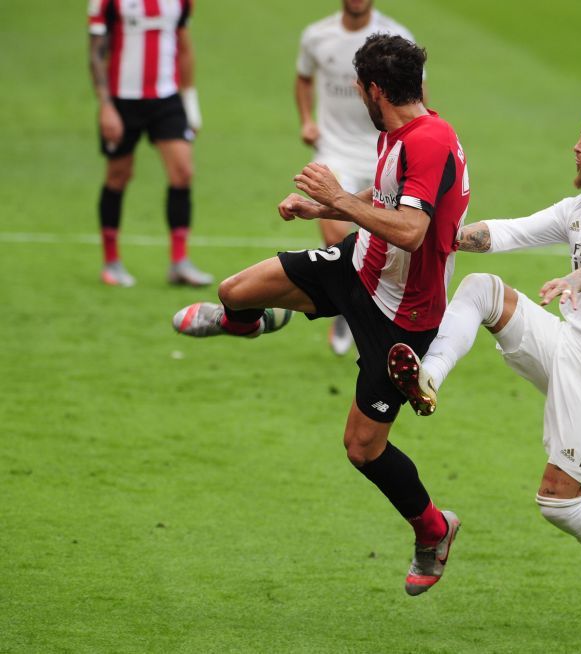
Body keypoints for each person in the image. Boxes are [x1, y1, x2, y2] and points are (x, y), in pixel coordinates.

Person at [173, 35, 470, 596]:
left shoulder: (428, 141)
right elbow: (387, 197)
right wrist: (325, 207)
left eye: (360, 88)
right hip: (356, 265)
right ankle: (249, 321)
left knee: (363, 449)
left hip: (401, 317)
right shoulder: (402, 131)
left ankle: (434, 530)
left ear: (375, 90)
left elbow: (411, 230)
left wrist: (336, 194)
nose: (359, 96)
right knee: (235, 290)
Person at [387, 104, 581, 632]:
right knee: (482, 289)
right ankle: (429, 378)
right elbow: (509, 232)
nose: (576, 145)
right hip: (567, 344)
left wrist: (576, 281)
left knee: (558, 503)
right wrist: (436, 234)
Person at [296, 0, 418, 355]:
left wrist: (418, 138)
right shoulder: (317, 35)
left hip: (385, 148)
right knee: (335, 229)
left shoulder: (396, 37)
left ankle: (355, 298)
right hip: (335, 149)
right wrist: (306, 119)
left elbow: (417, 94)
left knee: (393, 236)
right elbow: (303, 80)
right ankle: (348, 306)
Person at [88, 0, 212, 287]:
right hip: (122, 101)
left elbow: (184, 46)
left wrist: (190, 103)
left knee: (183, 173)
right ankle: (111, 261)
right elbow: (96, 52)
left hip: (166, 100)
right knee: (118, 176)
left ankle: (179, 262)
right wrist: (106, 106)